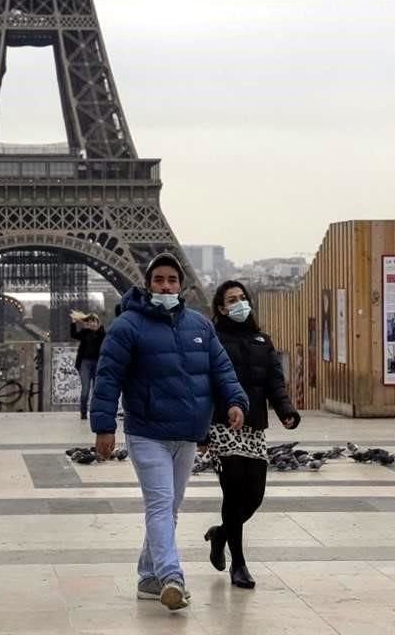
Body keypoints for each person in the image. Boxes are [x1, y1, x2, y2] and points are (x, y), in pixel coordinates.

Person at [90, 252, 249, 612]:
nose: (166, 286)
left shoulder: (199, 325)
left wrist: (235, 401)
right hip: (147, 432)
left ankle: (147, 576)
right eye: (159, 280)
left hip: (188, 432)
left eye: (171, 280)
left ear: (181, 285)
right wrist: (104, 426)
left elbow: (221, 369)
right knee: (161, 504)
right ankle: (170, 576)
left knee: (171, 508)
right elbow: (108, 378)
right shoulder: (128, 326)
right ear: (148, 285)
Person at [201, 280, 301, 589]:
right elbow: (204, 385)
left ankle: (221, 533)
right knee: (233, 493)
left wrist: (286, 410)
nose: (239, 303)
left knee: (254, 497)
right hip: (224, 424)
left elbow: (275, 381)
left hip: (255, 426)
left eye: (242, 298)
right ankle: (239, 564)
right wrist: (202, 428)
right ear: (221, 307)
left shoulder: (262, 340)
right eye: (232, 299)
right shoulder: (212, 339)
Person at [70, 311, 105, 420]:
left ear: (98, 323)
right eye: (90, 322)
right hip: (84, 363)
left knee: (96, 390)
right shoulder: (84, 333)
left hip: (97, 363)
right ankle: (83, 412)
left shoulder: (102, 333)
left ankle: (95, 412)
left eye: (94, 321)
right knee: (85, 389)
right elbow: (74, 335)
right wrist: (73, 323)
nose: (92, 324)